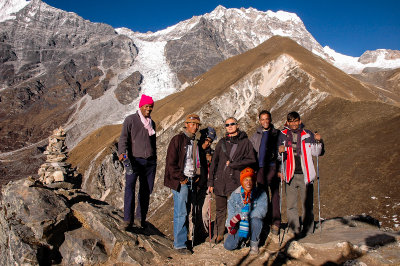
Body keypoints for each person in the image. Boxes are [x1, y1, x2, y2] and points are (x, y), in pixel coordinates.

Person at [208, 117, 256, 244]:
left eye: (232, 124)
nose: (229, 126)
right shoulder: (221, 143)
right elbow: (214, 163)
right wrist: (211, 182)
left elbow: (252, 160)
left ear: (237, 125)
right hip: (220, 181)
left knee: (236, 210)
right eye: (227, 125)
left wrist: (235, 164)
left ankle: (235, 235)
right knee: (220, 209)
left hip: (236, 182)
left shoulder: (246, 143)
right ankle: (218, 234)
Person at [277, 111, 324, 238]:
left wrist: (319, 141)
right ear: (287, 122)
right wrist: (279, 151)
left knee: (307, 205)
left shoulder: (307, 134)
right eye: (291, 121)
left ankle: (308, 230)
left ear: (299, 121)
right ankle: (295, 229)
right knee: (291, 205)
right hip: (290, 174)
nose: (293, 124)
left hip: (306, 174)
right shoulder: (282, 135)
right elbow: (279, 157)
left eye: (295, 121)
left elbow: (317, 152)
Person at [164, 114, 204, 254]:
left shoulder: (194, 141)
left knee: (186, 212)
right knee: (181, 212)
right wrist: (181, 178)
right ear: (186, 124)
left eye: (197, 125)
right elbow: (170, 162)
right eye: (192, 124)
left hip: (191, 179)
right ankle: (179, 245)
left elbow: (194, 161)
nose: (195, 127)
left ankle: (183, 241)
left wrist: (197, 175)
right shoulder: (178, 140)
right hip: (182, 180)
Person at [118, 94, 157, 230]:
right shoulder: (131, 120)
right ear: (141, 106)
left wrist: (154, 160)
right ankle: (127, 219)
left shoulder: (152, 123)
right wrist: (122, 153)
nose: (149, 109)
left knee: (146, 190)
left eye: (151, 107)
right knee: (130, 188)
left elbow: (153, 143)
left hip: (150, 162)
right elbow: (123, 138)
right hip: (134, 160)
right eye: (147, 106)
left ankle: (140, 219)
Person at [250, 110, 281, 235]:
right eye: (262, 119)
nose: (265, 121)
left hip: (273, 167)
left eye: (267, 119)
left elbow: (282, 154)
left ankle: (276, 223)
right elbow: (251, 151)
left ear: (270, 119)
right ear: (259, 121)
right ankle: (265, 222)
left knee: (275, 196)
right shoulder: (256, 135)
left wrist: (280, 170)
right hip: (260, 168)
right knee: (263, 196)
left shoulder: (277, 134)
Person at [224, 167, 267, 254]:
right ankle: (242, 240)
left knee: (256, 221)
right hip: (240, 225)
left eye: (251, 180)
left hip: (252, 223)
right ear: (242, 181)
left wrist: (242, 216)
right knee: (228, 245)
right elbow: (231, 212)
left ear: (254, 181)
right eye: (246, 180)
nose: (248, 183)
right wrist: (229, 224)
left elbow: (261, 211)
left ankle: (254, 244)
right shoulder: (235, 194)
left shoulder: (261, 193)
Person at [198, 127, 217, 238]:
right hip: (195, 185)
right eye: (206, 140)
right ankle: (194, 234)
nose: (208, 143)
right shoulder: (195, 149)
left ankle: (205, 233)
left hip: (206, 186)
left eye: (210, 141)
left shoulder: (212, 154)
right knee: (194, 212)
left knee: (205, 212)